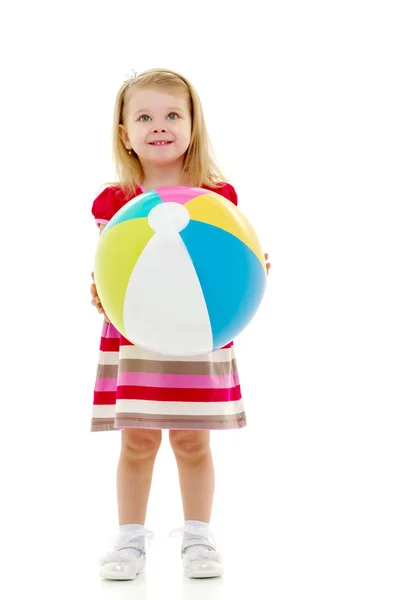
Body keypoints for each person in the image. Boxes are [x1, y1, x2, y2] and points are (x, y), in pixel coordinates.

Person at [89, 68, 271, 581]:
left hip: (201, 332)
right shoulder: (114, 202)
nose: (159, 126)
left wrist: (255, 266)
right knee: (138, 440)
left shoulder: (217, 197)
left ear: (193, 125)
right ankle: (129, 540)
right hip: (134, 334)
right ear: (125, 134)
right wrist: (97, 285)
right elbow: (112, 265)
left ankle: (198, 535)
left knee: (192, 439)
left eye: (173, 114)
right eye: (143, 117)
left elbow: (234, 262)